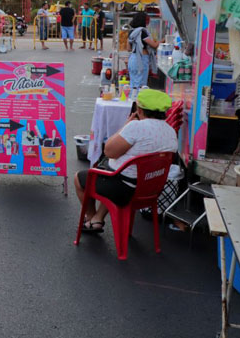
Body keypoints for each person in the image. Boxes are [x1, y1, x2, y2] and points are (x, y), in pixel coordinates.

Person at [75, 89, 176, 233]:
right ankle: (97, 218)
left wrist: (126, 124)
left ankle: (91, 219)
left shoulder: (136, 127)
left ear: (139, 110)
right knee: (110, 173)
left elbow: (109, 151)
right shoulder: (170, 131)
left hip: (125, 189)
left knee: (80, 178)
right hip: (151, 189)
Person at [128, 11, 159, 89]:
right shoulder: (142, 32)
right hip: (141, 60)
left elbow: (128, 48)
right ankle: (137, 101)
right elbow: (154, 45)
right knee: (141, 85)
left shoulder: (131, 32)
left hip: (132, 59)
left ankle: (132, 100)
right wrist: (165, 39)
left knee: (133, 84)